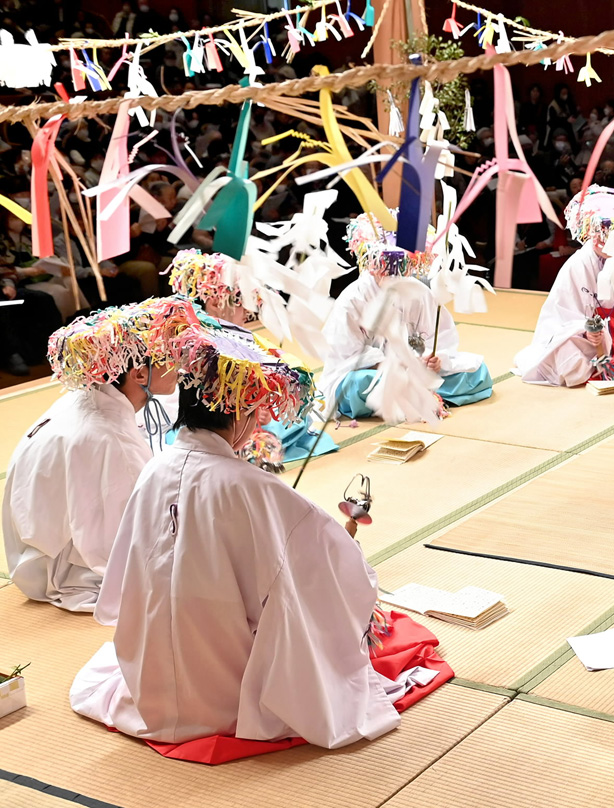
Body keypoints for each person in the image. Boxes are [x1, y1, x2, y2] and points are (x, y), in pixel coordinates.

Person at [69, 324, 404, 749]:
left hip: (149, 667)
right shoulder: (249, 486)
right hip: (227, 683)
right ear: (240, 411)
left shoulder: (156, 466)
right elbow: (319, 566)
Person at [3, 298, 193, 612]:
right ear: (139, 375)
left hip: (31, 555)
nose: (179, 363)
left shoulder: (83, 400)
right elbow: (136, 534)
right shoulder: (111, 438)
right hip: (61, 568)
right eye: (168, 356)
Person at [317, 214, 492, 421]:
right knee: (359, 383)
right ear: (371, 265)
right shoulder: (352, 299)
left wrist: (434, 359)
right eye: (383, 267)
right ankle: (417, 398)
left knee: (478, 372)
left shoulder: (418, 291)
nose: (390, 273)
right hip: (375, 374)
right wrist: (391, 364)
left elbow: (439, 337)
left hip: (415, 371)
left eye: (396, 267)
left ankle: (414, 397)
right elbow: (343, 356)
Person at [514, 186, 614, 386]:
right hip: (588, 336)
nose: (604, 242)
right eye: (600, 235)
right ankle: (597, 367)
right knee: (567, 359)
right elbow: (563, 313)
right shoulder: (577, 264)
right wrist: (586, 331)